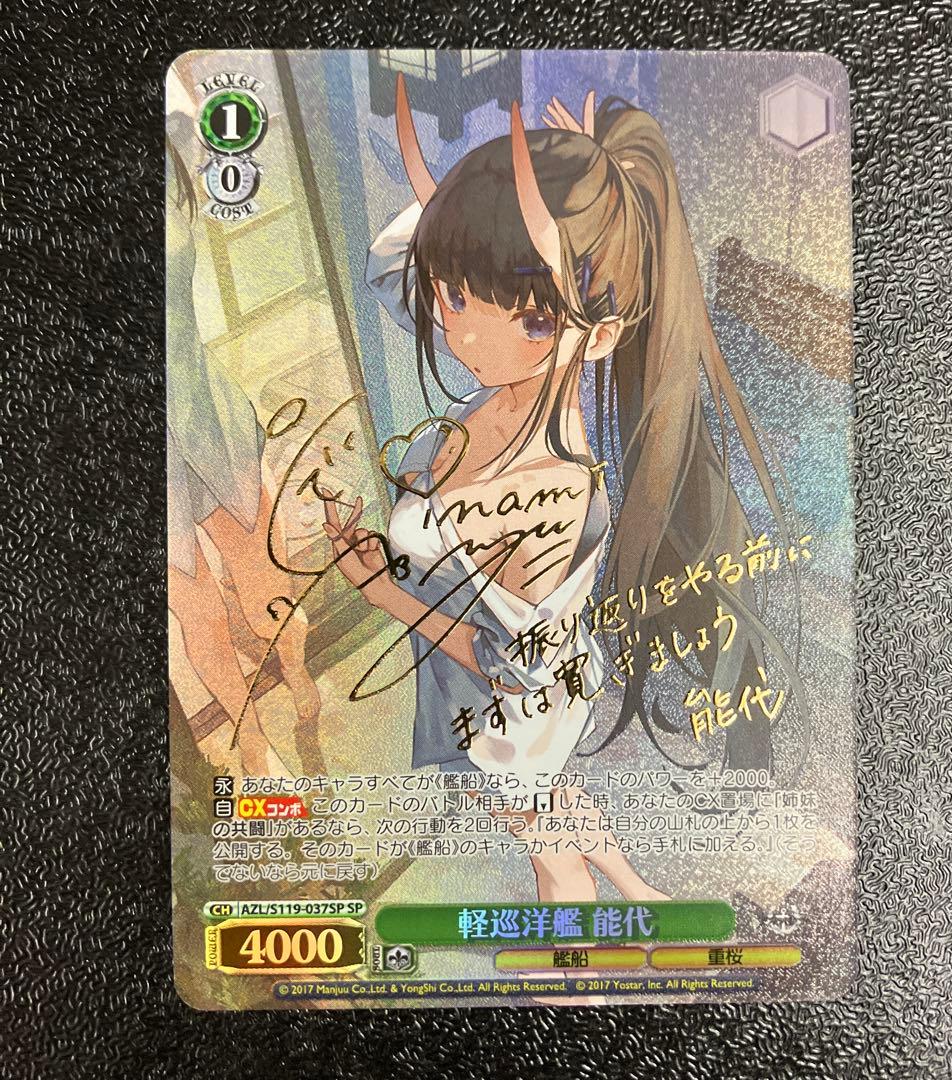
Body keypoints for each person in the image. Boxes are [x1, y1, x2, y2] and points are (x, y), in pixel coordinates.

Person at [324, 80, 798, 902]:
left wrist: (381, 588)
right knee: (555, 800)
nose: (464, 330)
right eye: (458, 293)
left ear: (602, 333)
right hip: (536, 684)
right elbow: (397, 266)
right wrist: (551, 197)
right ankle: (638, 890)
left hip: (515, 713)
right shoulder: (506, 385)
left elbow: (507, 668)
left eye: (532, 318)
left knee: (546, 849)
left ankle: (576, 962)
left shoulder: (548, 489)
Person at [166, 117, 322, 777]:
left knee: (264, 589)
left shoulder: (174, 148)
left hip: (202, 409)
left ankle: (300, 682)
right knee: (198, 610)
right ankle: (252, 741)